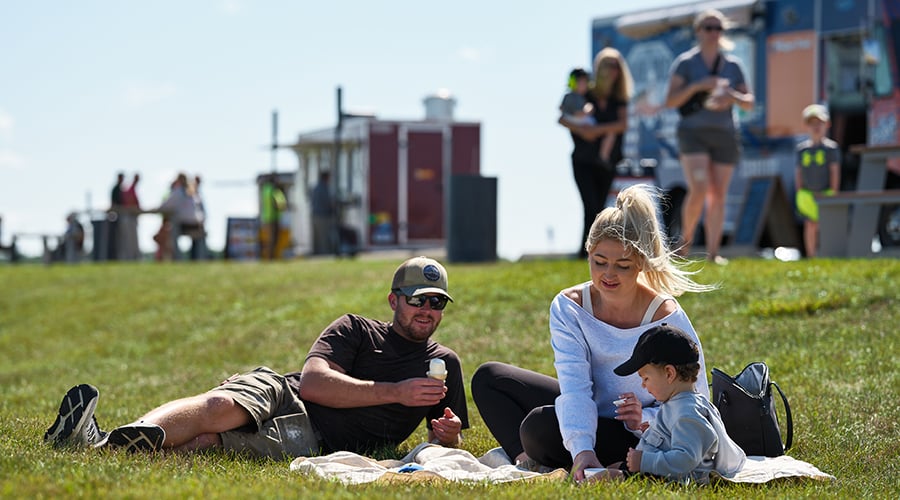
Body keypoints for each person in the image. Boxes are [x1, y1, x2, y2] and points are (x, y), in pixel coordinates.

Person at [43, 256, 468, 458]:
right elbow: (316, 384)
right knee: (219, 407)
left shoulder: (444, 362)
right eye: (418, 300)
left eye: (438, 303)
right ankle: (111, 437)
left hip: (318, 441)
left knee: (208, 444)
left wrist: (446, 436)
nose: (427, 310)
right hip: (288, 392)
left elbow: (448, 438)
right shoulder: (355, 328)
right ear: (394, 300)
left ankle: (96, 447)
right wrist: (395, 391)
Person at [471, 184, 714, 481]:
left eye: (622, 266)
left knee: (539, 427)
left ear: (640, 264)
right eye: (599, 262)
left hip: (643, 435)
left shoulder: (666, 316)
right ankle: (525, 457)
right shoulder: (568, 306)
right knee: (490, 378)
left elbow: (698, 401)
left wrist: (643, 420)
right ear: (588, 253)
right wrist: (582, 450)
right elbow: (575, 388)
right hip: (590, 410)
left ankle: (621, 463)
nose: (608, 275)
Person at [588, 324, 745, 483]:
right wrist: (658, 435)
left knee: (607, 477)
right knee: (613, 466)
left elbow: (686, 459)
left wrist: (644, 461)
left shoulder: (687, 412)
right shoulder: (679, 403)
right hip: (660, 471)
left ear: (669, 373)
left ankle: (579, 481)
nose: (643, 385)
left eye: (646, 378)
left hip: (673, 479)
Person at [664, 9, 754, 264]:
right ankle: (686, 243)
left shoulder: (733, 65)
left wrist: (732, 97)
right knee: (700, 188)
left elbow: (749, 103)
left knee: (718, 194)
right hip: (693, 134)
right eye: (709, 27)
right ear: (698, 31)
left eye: (718, 28)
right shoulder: (686, 63)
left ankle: (714, 253)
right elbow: (670, 101)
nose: (714, 33)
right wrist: (696, 85)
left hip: (725, 134)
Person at [558, 47, 634, 258]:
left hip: (606, 162)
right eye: (609, 66)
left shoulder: (619, 98)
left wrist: (598, 130)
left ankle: (592, 251)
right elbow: (563, 117)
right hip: (583, 158)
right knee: (589, 204)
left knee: (599, 207)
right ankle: (587, 251)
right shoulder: (586, 94)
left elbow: (622, 124)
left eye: (617, 67)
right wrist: (582, 130)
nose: (613, 71)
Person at [795, 104, 840, 258]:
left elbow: (834, 171)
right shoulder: (802, 150)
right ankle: (811, 255)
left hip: (825, 192)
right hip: (808, 194)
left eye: (819, 123)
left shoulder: (831, 149)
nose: (816, 127)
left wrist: (834, 191)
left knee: (824, 225)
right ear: (806, 126)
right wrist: (799, 190)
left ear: (827, 125)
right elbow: (799, 172)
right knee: (810, 224)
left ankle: (825, 254)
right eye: (812, 124)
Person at [559, 67, 616, 165]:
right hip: (581, 150)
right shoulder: (570, 97)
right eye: (580, 82)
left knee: (610, 134)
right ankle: (603, 157)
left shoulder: (589, 97)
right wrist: (582, 129)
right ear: (573, 82)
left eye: (585, 82)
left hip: (593, 146)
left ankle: (603, 157)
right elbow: (562, 117)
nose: (583, 85)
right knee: (609, 133)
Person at [311, 170, 336, 255]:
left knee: (316, 238)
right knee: (324, 237)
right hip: (323, 216)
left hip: (315, 215)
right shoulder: (324, 188)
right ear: (326, 177)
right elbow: (328, 202)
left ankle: (316, 253)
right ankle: (324, 255)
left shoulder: (316, 187)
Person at [118, 173, 142, 261]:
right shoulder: (129, 189)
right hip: (128, 217)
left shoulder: (131, 189)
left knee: (132, 240)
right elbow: (130, 203)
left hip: (132, 217)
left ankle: (133, 257)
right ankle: (130, 258)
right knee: (129, 240)